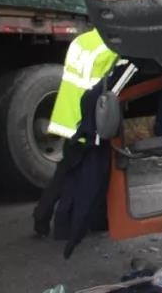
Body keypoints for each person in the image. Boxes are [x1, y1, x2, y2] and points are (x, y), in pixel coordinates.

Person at [34, 28, 119, 237]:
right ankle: (65, 223)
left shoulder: (82, 40)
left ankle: (42, 216)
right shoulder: (111, 48)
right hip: (85, 120)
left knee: (65, 170)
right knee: (80, 175)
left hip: (66, 114)